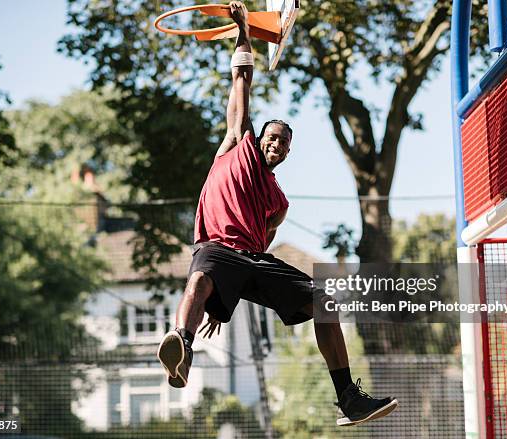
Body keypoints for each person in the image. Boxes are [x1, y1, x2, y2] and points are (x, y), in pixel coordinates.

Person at [157, 1, 398, 426]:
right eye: (272, 136)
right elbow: (241, 81)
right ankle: (182, 345)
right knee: (198, 279)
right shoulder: (235, 147)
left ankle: (348, 399)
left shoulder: (279, 201)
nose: (277, 144)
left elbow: (265, 240)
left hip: (253, 259)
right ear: (258, 137)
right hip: (217, 250)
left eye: (285, 142)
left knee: (325, 301)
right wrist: (245, 31)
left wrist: (229, 291)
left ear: (288, 151)